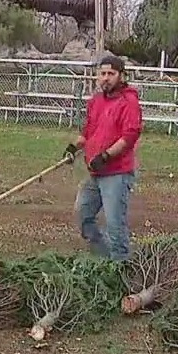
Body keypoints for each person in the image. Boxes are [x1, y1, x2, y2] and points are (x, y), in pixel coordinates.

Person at [64, 55, 142, 262]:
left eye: (111, 74)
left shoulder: (129, 102)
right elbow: (88, 131)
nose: (106, 78)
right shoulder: (96, 102)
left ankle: (121, 265)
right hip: (95, 172)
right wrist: (73, 147)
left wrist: (106, 156)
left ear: (121, 76)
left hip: (116, 173)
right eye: (102, 74)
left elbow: (129, 137)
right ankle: (103, 258)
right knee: (83, 216)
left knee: (115, 224)